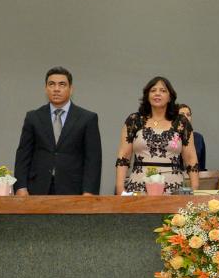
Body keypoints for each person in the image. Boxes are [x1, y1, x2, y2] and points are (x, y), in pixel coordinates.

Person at [13, 67, 102, 195]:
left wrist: (89, 191)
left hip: (74, 189)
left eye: (62, 84)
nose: (56, 89)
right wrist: (21, 187)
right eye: (51, 84)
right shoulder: (33, 117)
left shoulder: (87, 118)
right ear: (46, 89)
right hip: (38, 188)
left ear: (71, 89)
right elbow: (23, 155)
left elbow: (93, 159)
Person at [114, 76, 199, 194]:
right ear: (147, 96)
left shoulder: (181, 122)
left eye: (163, 91)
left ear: (170, 97)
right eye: (153, 90)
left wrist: (194, 189)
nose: (157, 93)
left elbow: (190, 158)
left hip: (174, 189)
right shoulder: (134, 120)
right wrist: (119, 188)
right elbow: (124, 155)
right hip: (138, 187)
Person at [178, 104, 206, 171]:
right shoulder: (170, 137)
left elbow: (201, 165)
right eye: (182, 114)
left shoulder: (198, 138)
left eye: (188, 115)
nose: (185, 117)